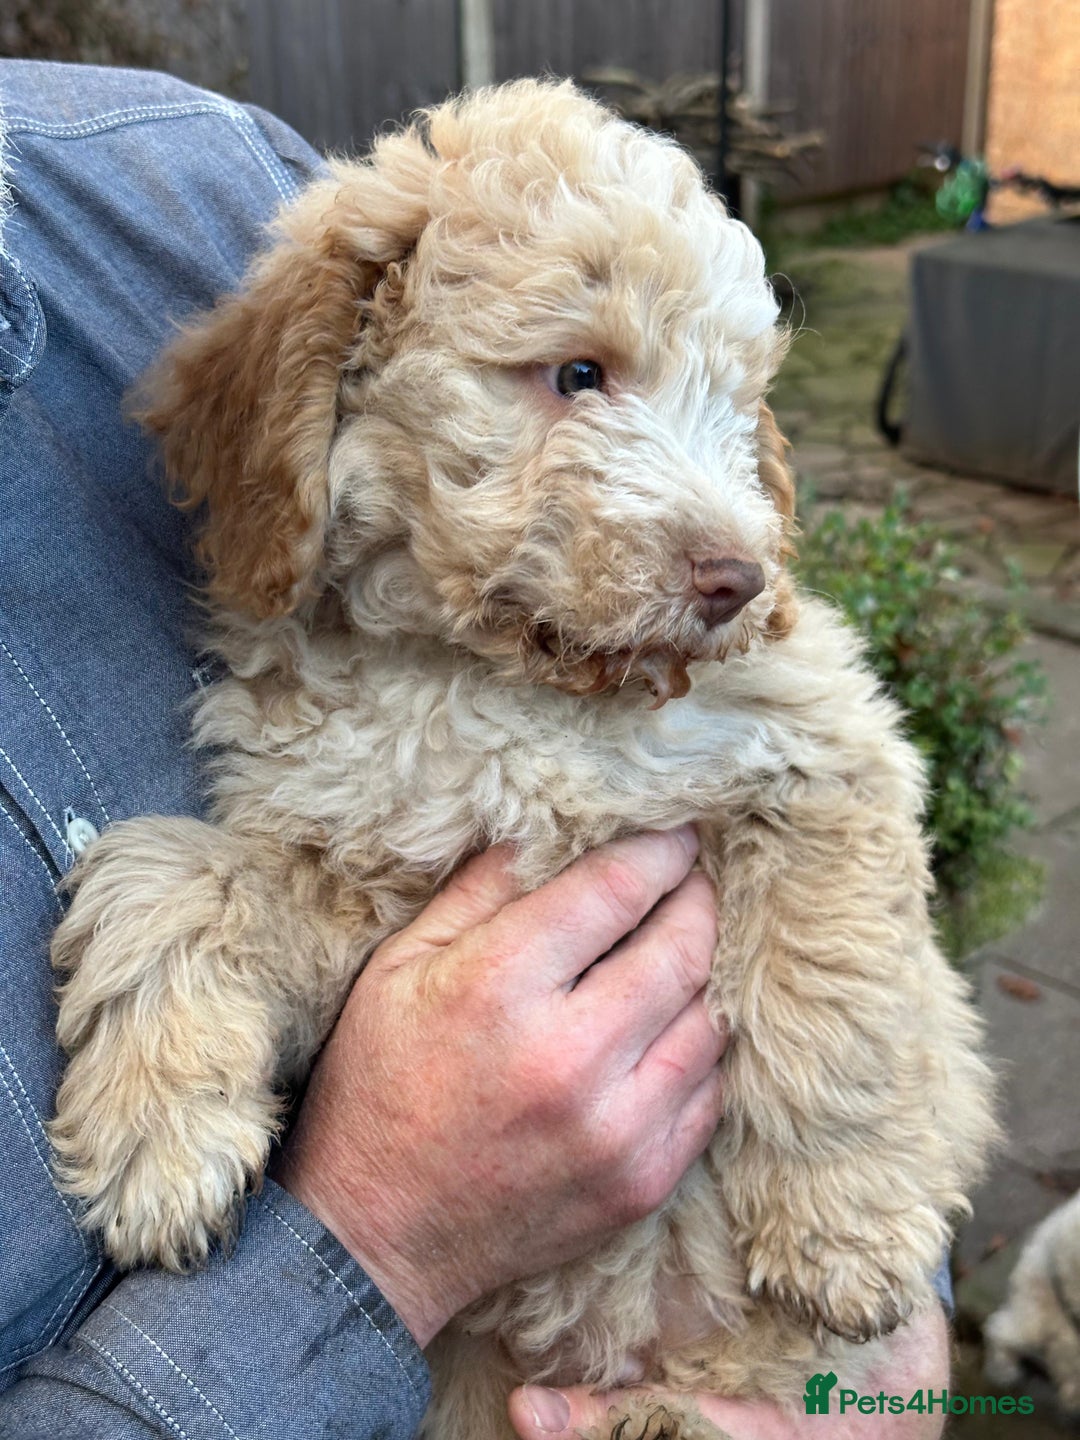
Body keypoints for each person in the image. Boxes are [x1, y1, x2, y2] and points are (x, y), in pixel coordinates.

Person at [0, 58, 949, 1438]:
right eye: (576, 373)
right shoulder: (304, 666)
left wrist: (852, 1211)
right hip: (481, 1390)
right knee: (170, 887)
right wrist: (196, 938)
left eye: (729, 410)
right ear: (318, 392)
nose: (730, 533)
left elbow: (840, 811)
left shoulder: (164, 172)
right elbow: (349, 942)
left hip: (769, 1325)